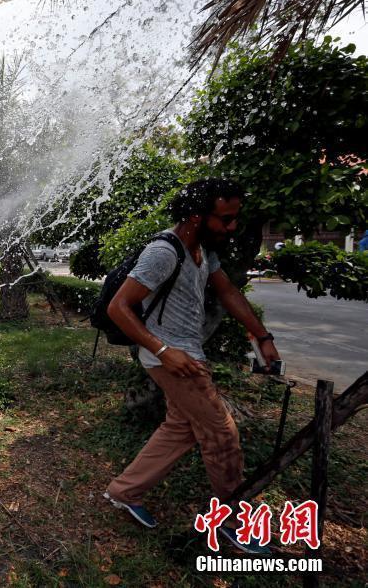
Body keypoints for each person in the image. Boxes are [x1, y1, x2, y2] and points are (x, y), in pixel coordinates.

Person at [103, 179, 281, 555]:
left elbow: (228, 291)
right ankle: (234, 523)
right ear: (198, 216)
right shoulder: (164, 252)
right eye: (226, 219)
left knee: (180, 427)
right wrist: (164, 349)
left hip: (185, 353)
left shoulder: (201, 249)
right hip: (173, 360)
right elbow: (117, 308)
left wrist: (261, 336)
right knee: (222, 435)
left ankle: (124, 491)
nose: (232, 227)